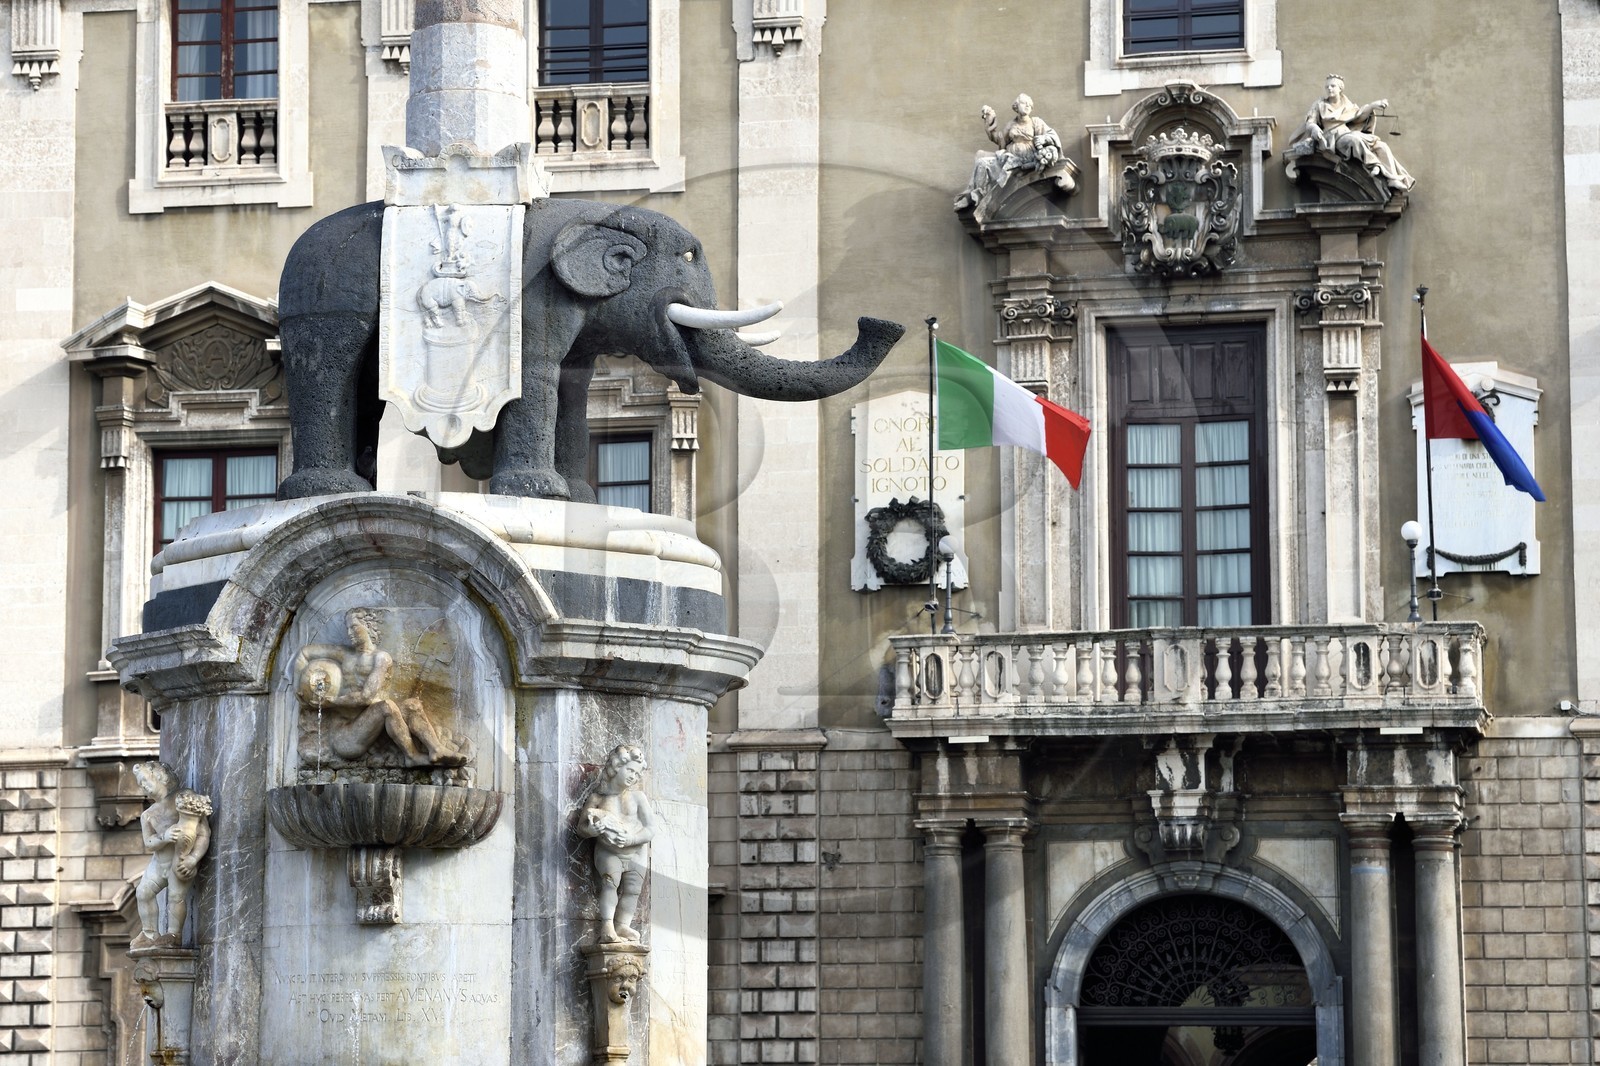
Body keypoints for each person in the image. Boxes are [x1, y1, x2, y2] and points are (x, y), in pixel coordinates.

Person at [292, 607, 466, 768]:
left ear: (369, 627)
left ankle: (436, 748)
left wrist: (332, 702)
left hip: (368, 727)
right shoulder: (343, 654)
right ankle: (411, 756)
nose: (349, 633)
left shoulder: (381, 659)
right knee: (386, 706)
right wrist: (297, 685)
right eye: (348, 629)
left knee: (413, 704)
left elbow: (366, 697)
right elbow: (304, 653)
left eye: (354, 627)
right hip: (345, 737)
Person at [578, 744, 657, 943]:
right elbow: (581, 828)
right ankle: (607, 926)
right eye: (629, 770)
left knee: (632, 890)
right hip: (609, 851)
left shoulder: (638, 798)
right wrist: (592, 831)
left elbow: (650, 829)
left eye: (637, 773)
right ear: (615, 767)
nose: (633, 776)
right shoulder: (598, 798)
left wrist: (631, 839)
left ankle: (623, 925)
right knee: (609, 883)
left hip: (636, 852)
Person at [131, 762, 212, 950]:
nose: (142, 786)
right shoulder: (148, 815)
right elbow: (148, 842)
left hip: (179, 861)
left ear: (161, 777)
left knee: (176, 897)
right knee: (143, 893)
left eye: (144, 781)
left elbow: (203, 833)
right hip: (159, 863)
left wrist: (193, 858)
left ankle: (173, 934)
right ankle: (149, 934)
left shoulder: (183, 799)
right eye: (139, 784)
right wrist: (164, 837)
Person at [1289, 74, 1414, 192]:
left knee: (1382, 146)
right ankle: (1374, 165)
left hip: (1347, 132)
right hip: (1333, 138)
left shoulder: (1347, 105)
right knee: (1354, 140)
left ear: (1340, 89)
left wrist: (1372, 106)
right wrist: (1314, 128)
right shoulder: (1320, 104)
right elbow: (1310, 122)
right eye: (1327, 86)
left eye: (1333, 86)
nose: (1329, 89)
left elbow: (1359, 117)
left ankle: (1392, 178)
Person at [956, 93, 1065, 208]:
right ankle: (974, 196)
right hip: (1010, 158)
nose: (1027, 106)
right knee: (981, 162)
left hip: (1027, 160)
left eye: (1029, 104)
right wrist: (990, 121)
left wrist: (1043, 138)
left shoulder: (1036, 122)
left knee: (988, 161)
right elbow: (1000, 139)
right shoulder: (1011, 124)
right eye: (1024, 103)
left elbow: (1052, 135)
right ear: (1016, 107)